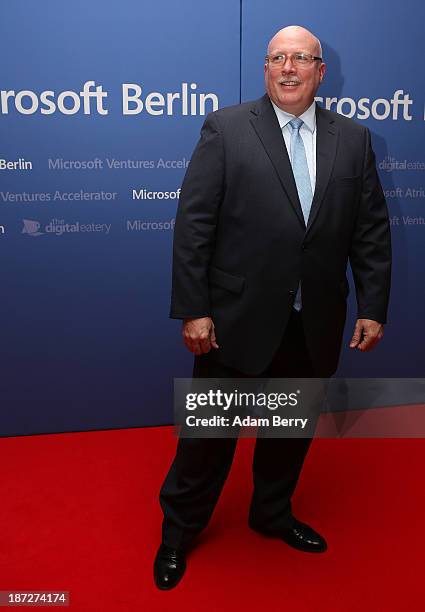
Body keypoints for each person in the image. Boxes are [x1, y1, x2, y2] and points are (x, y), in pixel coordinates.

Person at [154, 25, 391, 589]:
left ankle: (272, 514)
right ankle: (177, 533)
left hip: (314, 325)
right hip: (233, 323)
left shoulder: (354, 140)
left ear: (319, 70)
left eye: (301, 59)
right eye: (278, 58)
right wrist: (194, 309)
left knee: (288, 434)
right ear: (265, 68)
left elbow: (370, 232)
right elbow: (194, 228)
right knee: (206, 442)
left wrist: (372, 305)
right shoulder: (227, 128)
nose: (288, 68)